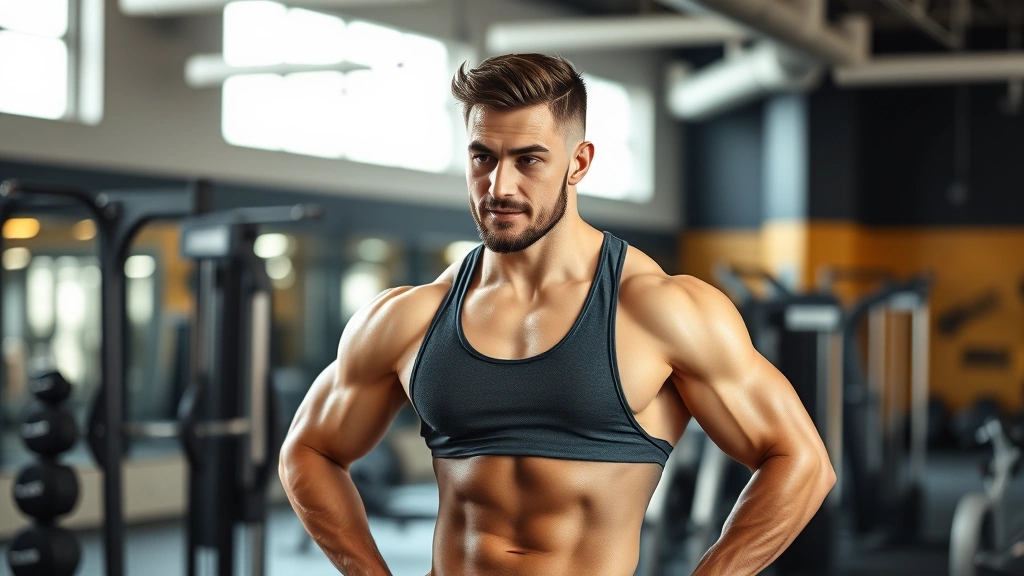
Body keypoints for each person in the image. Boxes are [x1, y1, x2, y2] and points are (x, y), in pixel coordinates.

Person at [279, 53, 836, 576]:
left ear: (579, 162)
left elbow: (801, 461)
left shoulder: (659, 308)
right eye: (483, 157)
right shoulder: (411, 316)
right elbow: (308, 451)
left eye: (528, 160)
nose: (499, 186)